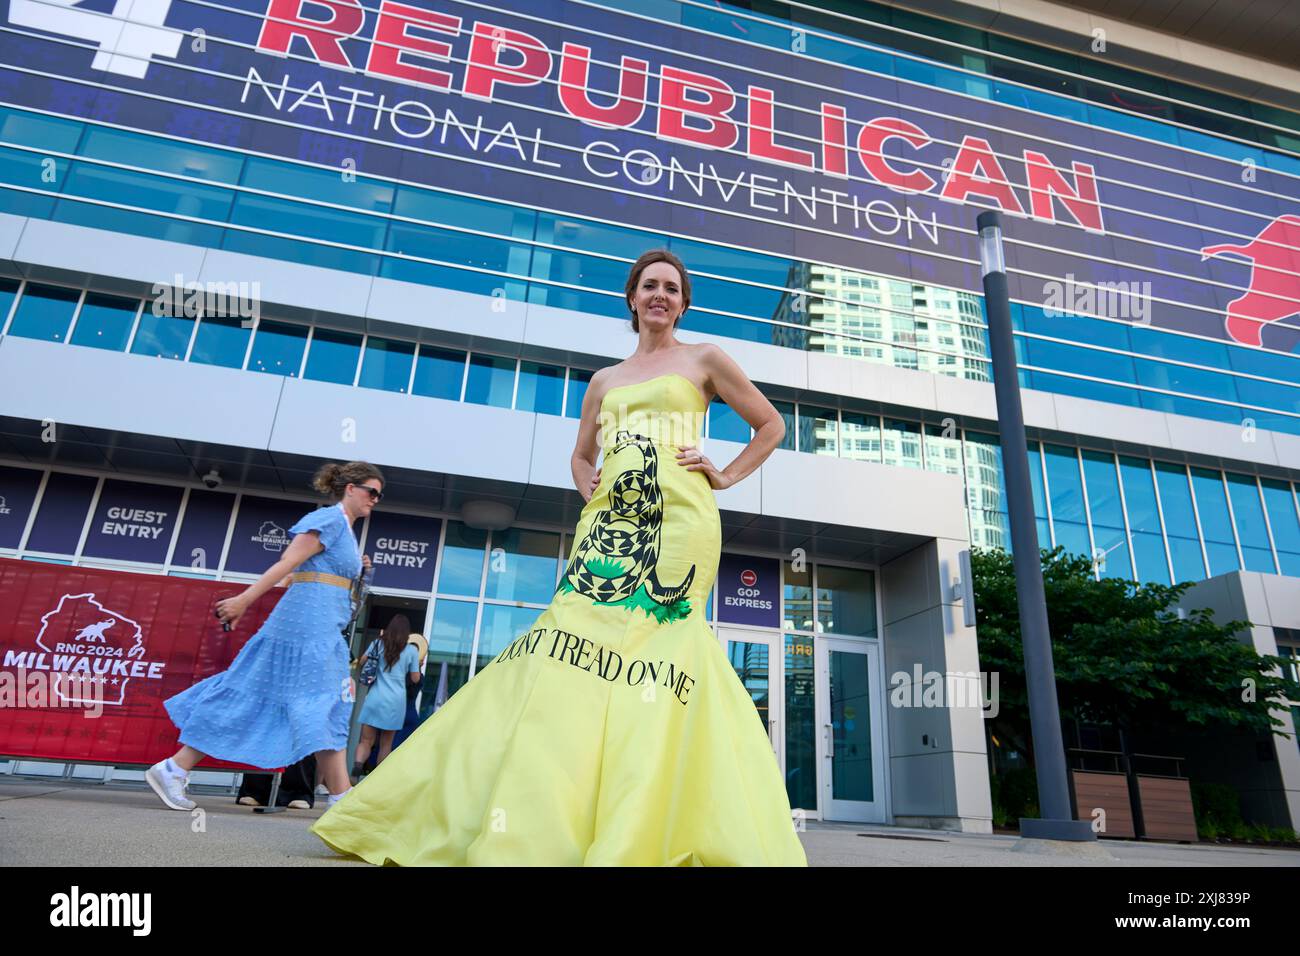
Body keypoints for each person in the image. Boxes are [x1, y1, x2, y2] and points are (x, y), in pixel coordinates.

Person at [312, 250, 807, 865]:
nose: (660, 296)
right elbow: (579, 455)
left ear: (683, 303)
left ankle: (645, 819)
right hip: (606, 526)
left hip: (682, 522)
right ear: (631, 298)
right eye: (649, 286)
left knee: (660, 656)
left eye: (672, 289)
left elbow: (770, 425)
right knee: (564, 651)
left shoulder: (704, 359)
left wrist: (724, 475)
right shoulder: (605, 380)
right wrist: (593, 489)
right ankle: (539, 813)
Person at [145, 461, 385, 812]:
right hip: (301, 630)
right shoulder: (329, 519)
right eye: (371, 491)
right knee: (289, 701)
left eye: (379, 495)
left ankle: (340, 798)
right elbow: (287, 564)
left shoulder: (345, 530)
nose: (376, 499)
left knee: (321, 706)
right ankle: (341, 800)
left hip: (321, 630)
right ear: (350, 488)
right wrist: (244, 600)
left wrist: (357, 569)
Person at [351, 614, 422, 778]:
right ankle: (376, 778)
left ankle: (357, 767)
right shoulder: (411, 650)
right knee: (385, 745)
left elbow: (361, 662)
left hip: (375, 697)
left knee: (365, 741)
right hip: (396, 702)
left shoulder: (377, 643)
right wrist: (414, 666)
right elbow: (415, 678)